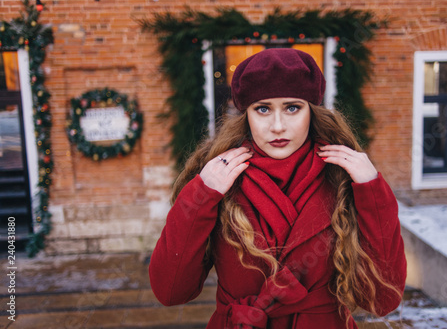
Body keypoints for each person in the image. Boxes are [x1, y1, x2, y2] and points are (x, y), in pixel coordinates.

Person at [149, 48, 407, 328]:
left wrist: (373, 192)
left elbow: (382, 299)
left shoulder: (343, 179)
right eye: (262, 109)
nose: (278, 126)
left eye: (292, 108)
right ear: (245, 114)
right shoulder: (219, 179)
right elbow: (170, 291)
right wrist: (200, 197)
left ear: (312, 111)